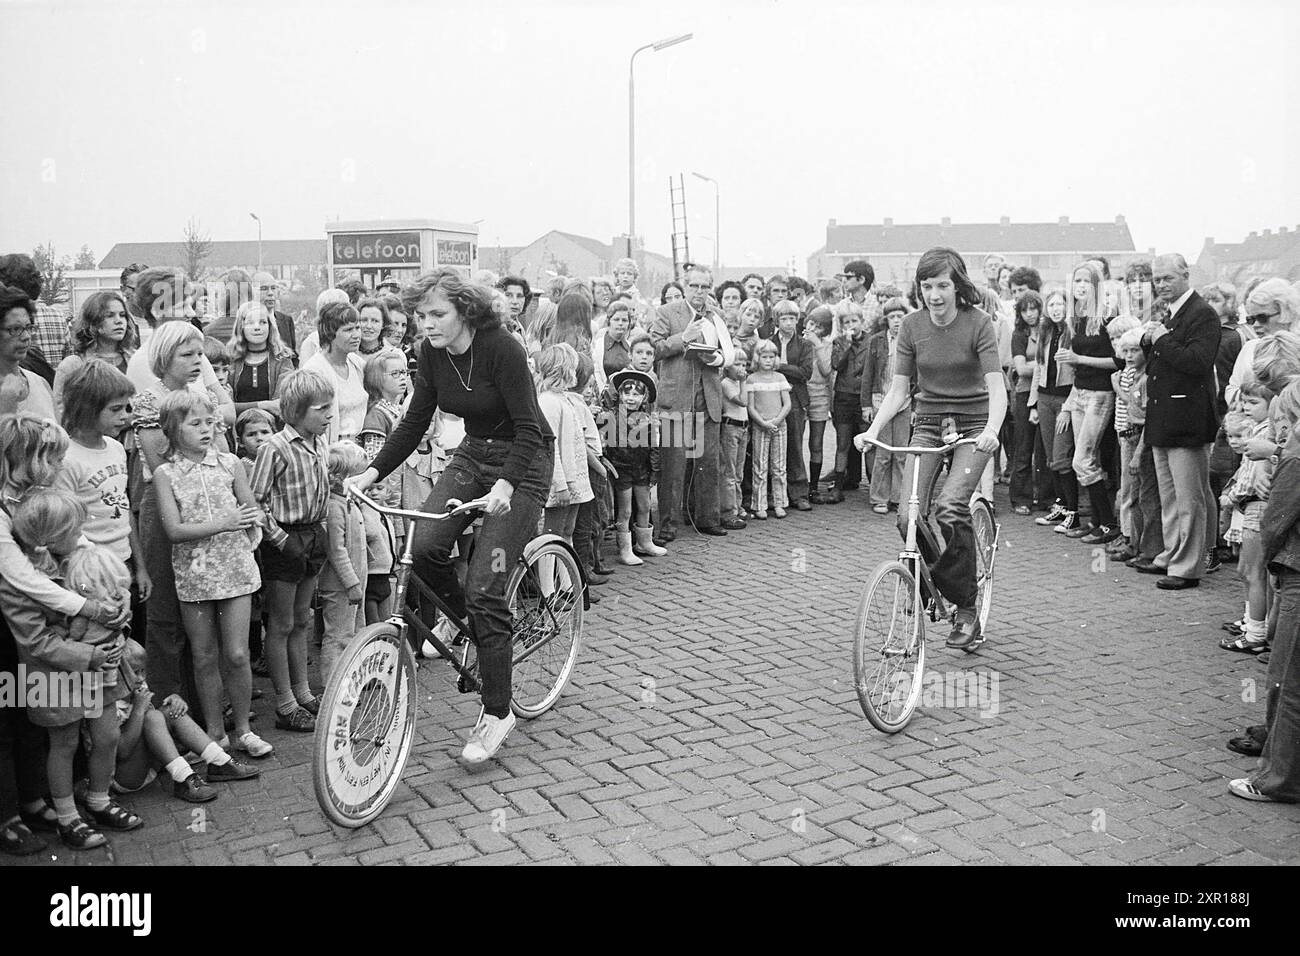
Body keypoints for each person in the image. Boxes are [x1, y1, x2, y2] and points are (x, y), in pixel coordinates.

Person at [352, 269, 554, 764]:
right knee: (421, 547)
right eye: (421, 316)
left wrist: (506, 484)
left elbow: (529, 426)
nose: (427, 324)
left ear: (465, 310)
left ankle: (497, 710)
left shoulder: (501, 348)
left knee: (487, 584)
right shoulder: (434, 357)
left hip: (524, 465)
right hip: (472, 455)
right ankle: (465, 624)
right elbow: (415, 419)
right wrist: (370, 473)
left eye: (436, 314)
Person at [857, 247, 1006, 651]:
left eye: (943, 285)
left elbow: (997, 389)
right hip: (927, 424)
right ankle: (937, 584)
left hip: (975, 426)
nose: (935, 294)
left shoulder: (980, 324)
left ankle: (967, 608)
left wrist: (992, 429)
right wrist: (873, 429)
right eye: (927, 285)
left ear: (958, 286)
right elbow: (899, 390)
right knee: (907, 518)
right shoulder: (911, 326)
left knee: (951, 507)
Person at [0, 490, 139, 850]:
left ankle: (98, 798)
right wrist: (88, 656)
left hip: (98, 671)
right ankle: (67, 817)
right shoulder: (18, 581)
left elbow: (112, 586)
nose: (81, 533)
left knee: (107, 734)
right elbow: (36, 641)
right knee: (64, 743)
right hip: (54, 676)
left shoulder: (76, 556)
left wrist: (120, 602)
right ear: (48, 537)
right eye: (72, 527)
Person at [153, 390, 268, 757]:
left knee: (236, 654)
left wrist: (250, 523)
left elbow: (251, 510)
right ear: (173, 429)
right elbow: (173, 530)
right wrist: (224, 522)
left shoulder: (231, 463)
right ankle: (215, 732)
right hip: (195, 574)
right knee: (203, 655)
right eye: (195, 423)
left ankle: (244, 729)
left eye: (209, 422)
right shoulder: (165, 473)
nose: (206, 430)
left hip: (234, 568)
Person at [248, 369, 335, 733]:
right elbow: (255, 501)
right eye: (322, 409)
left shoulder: (318, 443)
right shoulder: (275, 447)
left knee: (301, 618)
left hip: (314, 535)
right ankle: (284, 701)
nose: (330, 415)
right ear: (298, 410)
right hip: (286, 540)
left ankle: (303, 692)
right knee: (281, 624)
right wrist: (280, 539)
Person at [1229, 380, 1300, 801]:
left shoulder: (1294, 459)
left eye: (1285, 421)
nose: (1281, 431)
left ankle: (1278, 779)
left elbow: (1275, 521)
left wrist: (1273, 563)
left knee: (1286, 680)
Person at [1140, 253, 1222, 590]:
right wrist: (1151, 342)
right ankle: (1172, 554)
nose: (1160, 285)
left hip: (1187, 420)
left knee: (1190, 498)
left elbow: (1196, 362)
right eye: (1157, 280)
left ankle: (1187, 567)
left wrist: (1159, 338)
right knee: (1170, 496)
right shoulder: (1170, 315)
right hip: (1163, 418)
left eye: (1167, 278)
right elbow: (1163, 365)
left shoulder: (1203, 314)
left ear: (1185, 275)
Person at [107, 641, 259, 806]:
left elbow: (154, 713)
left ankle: (219, 761)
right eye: (135, 673)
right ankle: (184, 778)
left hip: (149, 764)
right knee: (153, 717)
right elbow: (121, 751)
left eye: (143, 671)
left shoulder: (137, 686)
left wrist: (174, 700)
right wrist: (138, 709)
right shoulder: (108, 703)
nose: (141, 678)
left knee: (171, 710)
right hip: (125, 777)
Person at [649, 265, 736, 539]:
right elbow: (654, 348)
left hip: (708, 399)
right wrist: (682, 339)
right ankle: (668, 526)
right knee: (673, 468)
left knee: (708, 463)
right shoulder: (667, 312)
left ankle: (708, 519)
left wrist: (717, 360)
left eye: (705, 287)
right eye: (695, 286)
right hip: (676, 400)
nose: (700, 292)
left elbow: (727, 354)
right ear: (685, 286)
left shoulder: (715, 316)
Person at [55, 361, 150, 601]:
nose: (125, 417)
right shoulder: (66, 459)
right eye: (115, 409)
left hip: (124, 562)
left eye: (126, 408)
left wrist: (140, 567)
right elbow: (66, 527)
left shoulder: (117, 448)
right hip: (91, 570)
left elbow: (123, 508)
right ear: (87, 409)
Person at [1056, 262, 1122, 544]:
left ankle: (1108, 523)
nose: (1080, 286)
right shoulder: (1076, 317)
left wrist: (1078, 359)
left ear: (1096, 284)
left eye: (1086, 281)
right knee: (1087, 460)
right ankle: (1096, 520)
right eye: (1076, 281)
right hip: (1080, 392)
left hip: (1100, 394)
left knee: (1081, 460)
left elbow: (1118, 361)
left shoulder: (1107, 317)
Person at [1216, 389, 1275, 654]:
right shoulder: (1259, 430)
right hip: (1250, 507)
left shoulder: (1263, 435)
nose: (1247, 407)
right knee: (1247, 571)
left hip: (1255, 506)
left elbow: (1251, 478)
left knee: (1253, 573)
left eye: (1254, 402)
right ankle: (1251, 621)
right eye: (1245, 403)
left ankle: (1255, 633)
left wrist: (1232, 495)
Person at [318, 442, 368, 683]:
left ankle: (352, 679)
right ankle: (333, 685)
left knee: (355, 632)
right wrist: (351, 583)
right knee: (338, 635)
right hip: (342, 586)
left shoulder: (349, 502)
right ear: (342, 477)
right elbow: (336, 550)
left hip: (357, 581)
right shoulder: (333, 507)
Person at [1029, 288, 1078, 530]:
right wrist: (1033, 404)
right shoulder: (1046, 331)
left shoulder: (1073, 332)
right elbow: (1039, 368)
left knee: (1061, 458)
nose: (1056, 309)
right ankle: (1060, 505)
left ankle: (1073, 511)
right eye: (1052, 305)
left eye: (1060, 304)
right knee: (1050, 458)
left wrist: (1068, 408)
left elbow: (1079, 375)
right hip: (1045, 399)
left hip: (1065, 400)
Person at [53, 291, 137, 417]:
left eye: (122, 315)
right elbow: (61, 413)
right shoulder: (73, 365)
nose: (119, 321)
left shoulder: (134, 360)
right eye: (110, 315)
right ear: (93, 322)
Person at [824, 299, 870, 504]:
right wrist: (847, 344)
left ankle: (875, 486)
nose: (851, 325)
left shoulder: (872, 341)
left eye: (854, 320)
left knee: (868, 442)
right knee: (842, 442)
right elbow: (836, 365)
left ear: (862, 320)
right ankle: (839, 485)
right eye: (846, 322)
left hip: (863, 397)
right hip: (844, 396)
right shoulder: (839, 342)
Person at [770, 301, 814, 511]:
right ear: (777, 321)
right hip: (772, 399)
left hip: (796, 398)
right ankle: (775, 493)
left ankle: (799, 492)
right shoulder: (769, 342)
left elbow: (805, 372)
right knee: (773, 445)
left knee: (795, 444)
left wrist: (781, 367)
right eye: (784, 319)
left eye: (792, 319)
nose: (788, 323)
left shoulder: (804, 345)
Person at [303, 301, 366, 444]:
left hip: (360, 448)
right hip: (332, 451)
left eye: (357, 328)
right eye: (349, 330)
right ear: (330, 333)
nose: (356, 335)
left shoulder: (357, 364)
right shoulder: (314, 370)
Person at [1009, 291, 1047, 514]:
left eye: (1033, 308)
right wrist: (1044, 364)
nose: (1029, 314)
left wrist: (1034, 364)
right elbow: (1021, 370)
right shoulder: (1019, 335)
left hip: (1046, 392)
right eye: (1024, 310)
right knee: (1023, 446)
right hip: (1024, 394)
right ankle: (1020, 498)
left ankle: (1046, 497)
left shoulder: (1049, 330)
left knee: (1044, 448)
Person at [747, 339, 792, 519]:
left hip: (779, 426)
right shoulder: (752, 379)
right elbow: (750, 407)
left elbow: (787, 404)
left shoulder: (780, 378)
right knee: (760, 466)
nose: (768, 360)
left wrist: (776, 421)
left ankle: (780, 503)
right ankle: (759, 504)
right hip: (761, 427)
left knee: (779, 466)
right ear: (758, 358)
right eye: (764, 356)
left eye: (771, 356)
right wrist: (763, 423)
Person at [227, 300, 293, 419]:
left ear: (270, 326)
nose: (257, 327)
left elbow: (280, 405)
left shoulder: (282, 359)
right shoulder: (231, 360)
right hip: (238, 430)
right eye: (250, 323)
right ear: (241, 327)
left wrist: (240, 407)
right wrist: (264, 405)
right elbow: (226, 407)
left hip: (273, 430)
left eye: (263, 322)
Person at [0, 285, 56, 419]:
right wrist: (6, 409)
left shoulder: (40, 383)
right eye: (15, 329)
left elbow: (59, 437)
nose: (26, 336)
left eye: (28, 327)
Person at [718, 350, 750, 530]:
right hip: (731, 427)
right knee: (729, 472)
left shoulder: (739, 382)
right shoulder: (727, 383)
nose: (741, 368)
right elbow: (743, 401)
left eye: (744, 365)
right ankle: (729, 511)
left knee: (739, 471)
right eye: (737, 364)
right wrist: (744, 382)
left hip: (743, 427)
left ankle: (738, 507)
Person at [593, 300, 633, 392]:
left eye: (624, 320)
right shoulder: (598, 345)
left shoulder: (630, 347)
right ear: (608, 321)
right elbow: (596, 374)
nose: (620, 323)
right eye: (616, 319)